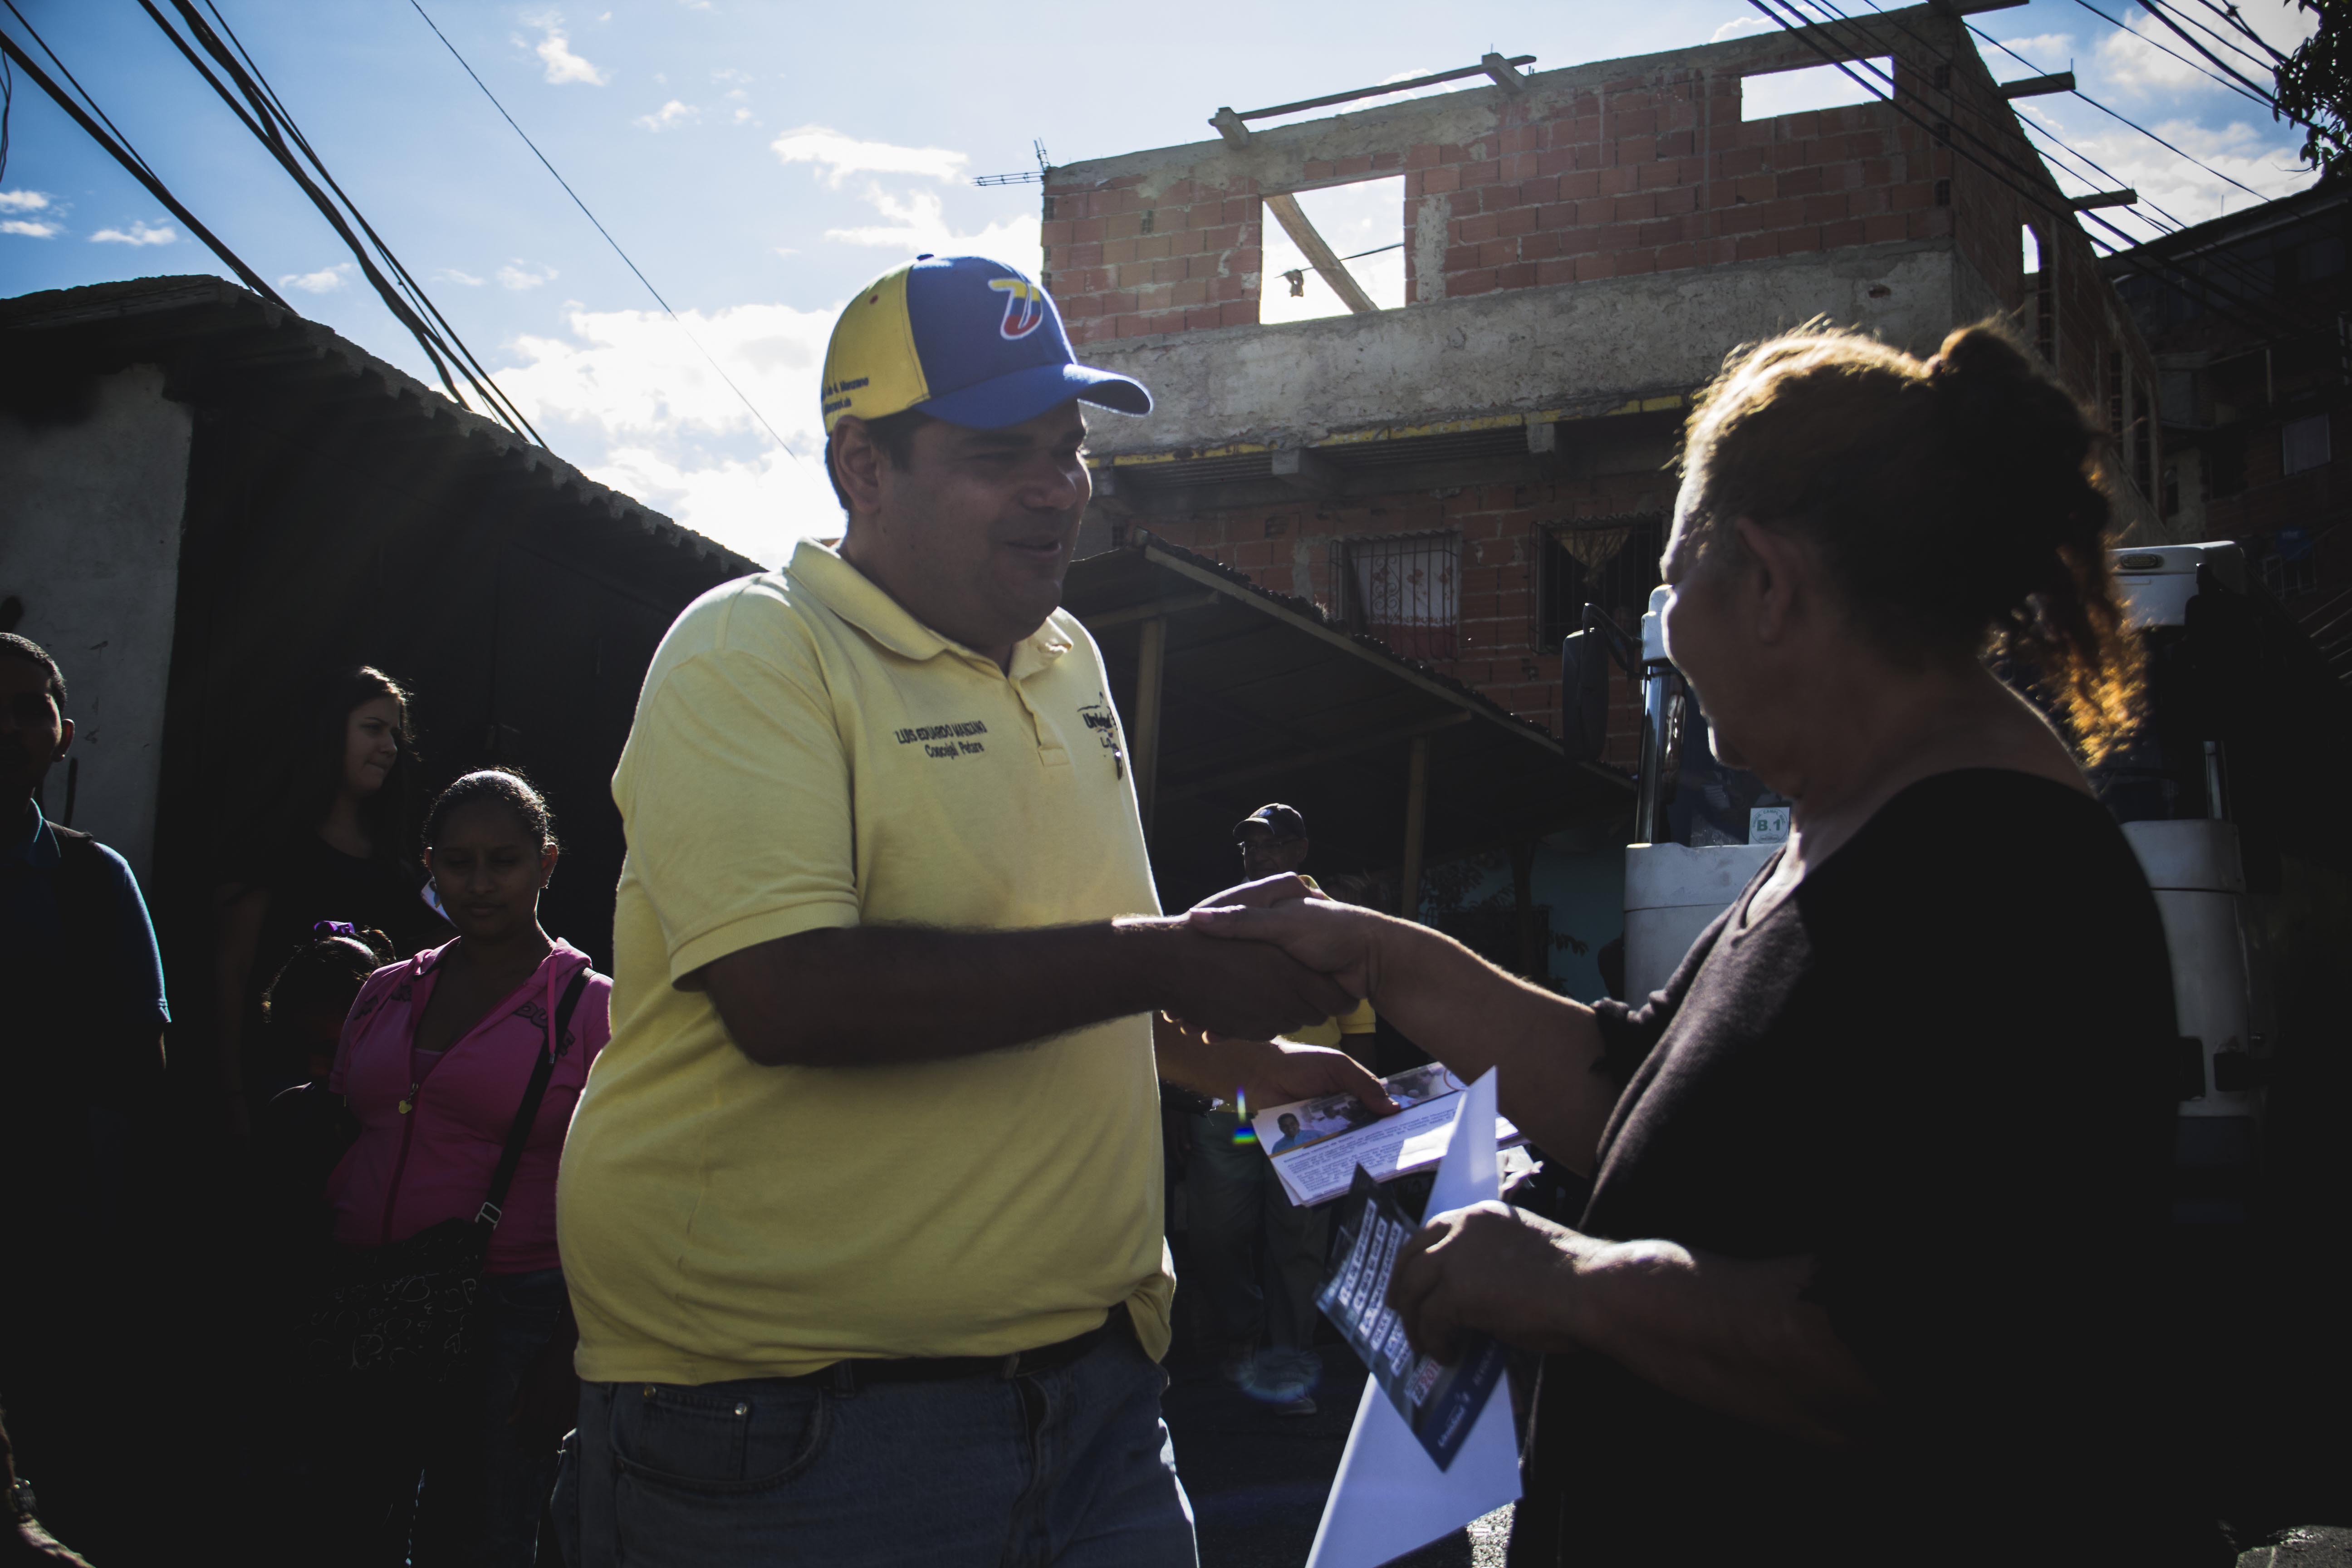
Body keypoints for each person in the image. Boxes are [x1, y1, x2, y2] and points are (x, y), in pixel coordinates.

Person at [1187, 323, 2224, 1565]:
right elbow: (1642, 1092)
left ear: (1773, 584)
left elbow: (1928, 1349)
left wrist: (1574, 1285)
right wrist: (1375, 953)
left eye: (1673, 581)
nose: (1666, 625)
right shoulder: (1848, 833)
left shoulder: (2002, 879)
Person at [553, 254, 1396, 1568]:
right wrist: (1170, 959)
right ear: (863, 468)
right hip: (794, 1434)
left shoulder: (1074, 664)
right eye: (1006, 452)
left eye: (1070, 450)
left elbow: (1077, 973)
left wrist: (1242, 1067)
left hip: (1101, 1408)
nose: (1058, 487)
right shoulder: (753, 651)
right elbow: (792, 996)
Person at [317, 770, 609, 1567]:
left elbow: (621, 1199)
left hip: (512, 1309)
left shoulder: (592, 1013)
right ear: (430, 865)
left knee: (480, 1535)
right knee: (351, 1519)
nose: (479, 883)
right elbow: (344, 1128)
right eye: (457, 862)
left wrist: (564, 1356)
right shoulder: (382, 994)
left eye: (503, 861)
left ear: (547, 863)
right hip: (365, 1296)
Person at [0, 632, 169, 1564]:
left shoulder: (92, 882)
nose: (9, 726)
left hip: (42, 1241)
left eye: (31, 708)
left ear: (63, 734)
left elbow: (140, 1083)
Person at [1184, 803, 1382, 1414]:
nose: (1257, 857)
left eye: (1270, 846)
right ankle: (1243, 1334)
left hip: (1307, 1116)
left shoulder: (1333, 923)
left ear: (1300, 852)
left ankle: (1287, 1362)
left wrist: (1357, 1105)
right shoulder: (1217, 919)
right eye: (1249, 847)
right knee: (1217, 1232)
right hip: (1233, 1114)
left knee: (1297, 1243)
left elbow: (1362, 1028)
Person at [215, 665, 449, 1126]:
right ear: (328, 730)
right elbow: (231, 971)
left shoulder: (396, 865)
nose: (389, 747)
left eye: (395, 736)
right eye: (372, 729)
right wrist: (232, 1094)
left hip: (367, 1101)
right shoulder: (270, 845)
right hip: (275, 1086)